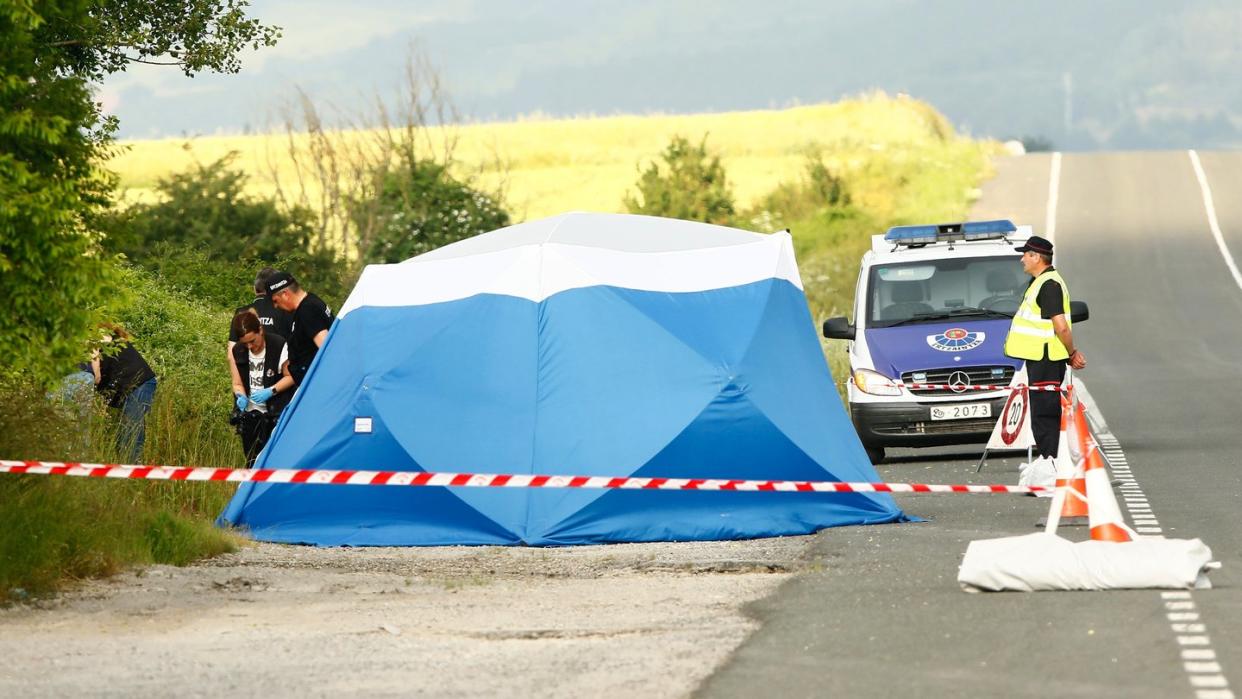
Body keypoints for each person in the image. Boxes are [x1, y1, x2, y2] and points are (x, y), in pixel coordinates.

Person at [1003, 235, 1087, 484]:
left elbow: (1061, 327)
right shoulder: (1040, 282)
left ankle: (1052, 464)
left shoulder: (1049, 285)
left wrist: (1072, 354)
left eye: (1025, 254)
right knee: (1041, 411)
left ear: (1036, 257)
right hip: (1041, 357)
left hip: (1047, 358)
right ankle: (1048, 460)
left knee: (1045, 413)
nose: (1021, 259)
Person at [230, 310, 295, 467]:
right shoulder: (238, 350)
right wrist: (240, 396)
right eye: (245, 343)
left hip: (274, 413)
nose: (250, 346)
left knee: (274, 462)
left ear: (260, 330)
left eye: (252, 341)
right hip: (251, 415)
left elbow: (291, 377)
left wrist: (271, 390)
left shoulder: (278, 344)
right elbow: (237, 382)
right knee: (252, 461)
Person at [92, 323, 158, 463]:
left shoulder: (99, 337)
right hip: (135, 385)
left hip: (139, 384)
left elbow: (97, 375)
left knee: (131, 433)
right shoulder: (107, 336)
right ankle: (128, 467)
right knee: (126, 433)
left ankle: (132, 471)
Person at [228, 267, 294, 392]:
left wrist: (238, 387)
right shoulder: (286, 310)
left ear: (254, 288)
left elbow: (231, 354)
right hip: (280, 385)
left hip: (248, 385)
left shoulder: (241, 313)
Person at [265, 271, 333, 386]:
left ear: (285, 294)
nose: (275, 306)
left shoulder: (308, 310)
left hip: (317, 383)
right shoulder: (311, 301)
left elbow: (327, 349)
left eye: (275, 301)